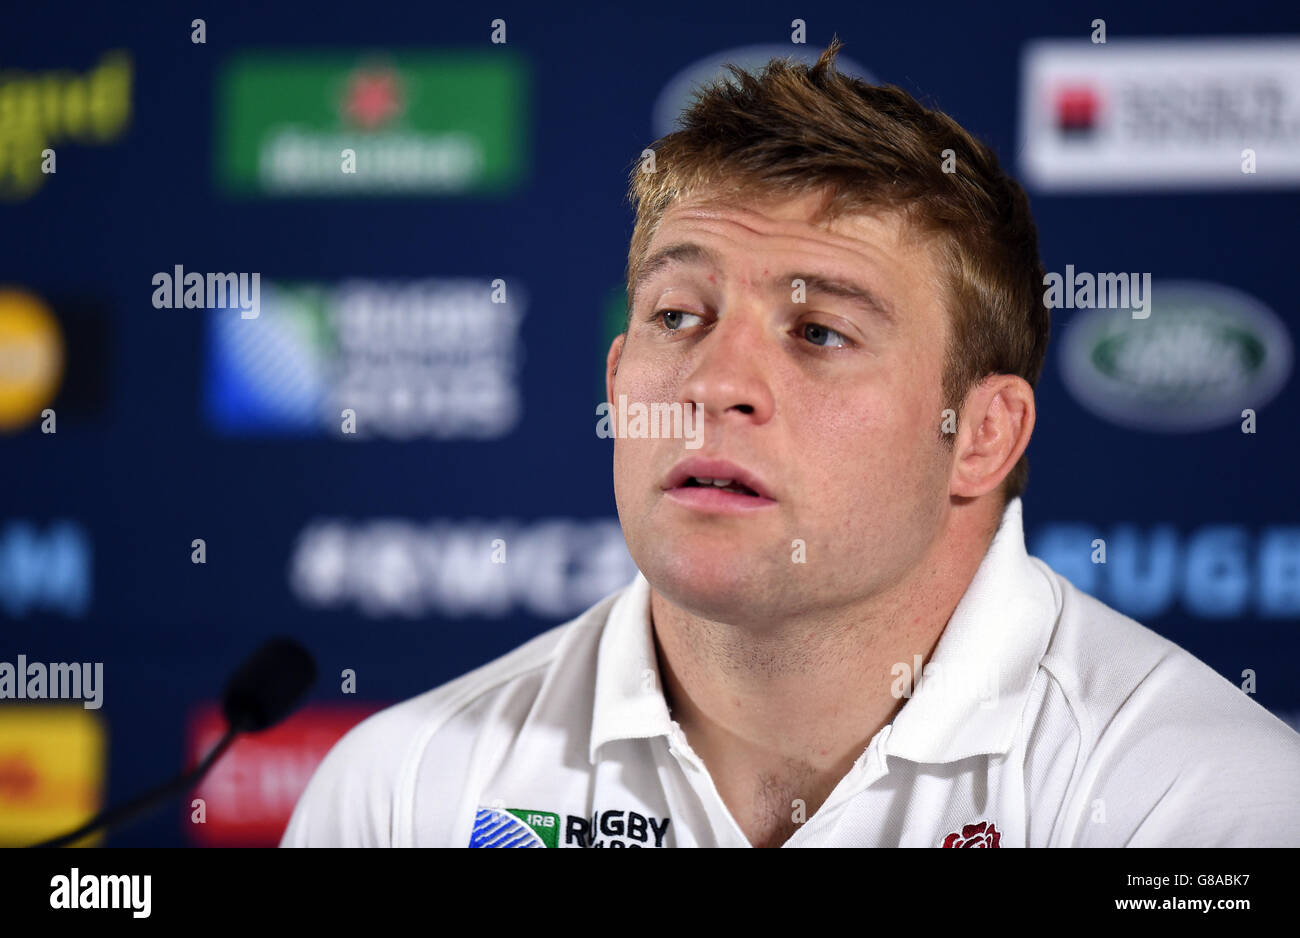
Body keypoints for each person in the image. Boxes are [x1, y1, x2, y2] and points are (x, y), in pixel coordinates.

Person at [281, 38, 1300, 848]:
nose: (714, 383)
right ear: (615, 380)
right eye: (679, 315)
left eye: (819, 332)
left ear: (982, 436)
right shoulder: (404, 789)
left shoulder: (1198, 803)